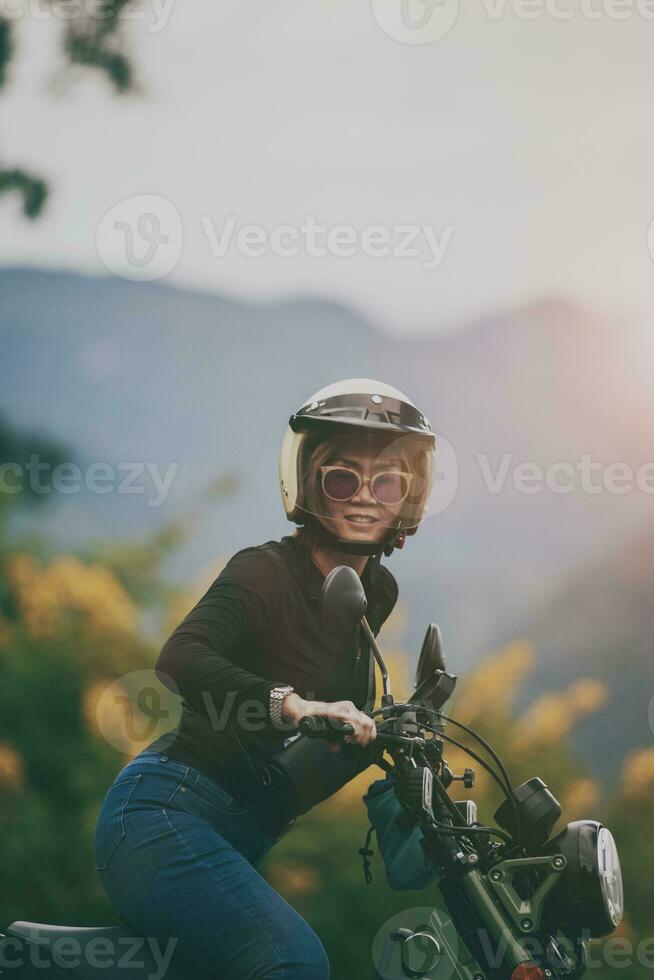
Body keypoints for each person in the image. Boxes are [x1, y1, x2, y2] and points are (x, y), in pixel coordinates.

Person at [92, 378, 435, 979]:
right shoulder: (265, 571)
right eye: (341, 478)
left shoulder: (374, 592)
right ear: (309, 486)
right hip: (164, 812)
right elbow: (180, 657)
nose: (363, 497)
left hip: (240, 834)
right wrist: (292, 705)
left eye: (385, 482)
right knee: (293, 960)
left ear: (407, 497)